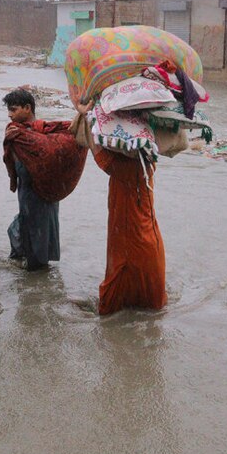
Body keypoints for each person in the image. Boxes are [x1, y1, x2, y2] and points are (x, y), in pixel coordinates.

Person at [77, 99, 167, 316]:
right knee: (149, 294)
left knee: (120, 273)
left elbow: (97, 150)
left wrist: (87, 116)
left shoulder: (122, 168)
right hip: (148, 239)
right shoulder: (148, 164)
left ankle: (111, 310)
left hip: (128, 237)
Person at [2, 89, 62, 270]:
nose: (10, 114)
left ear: (27, 108)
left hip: (42, 188)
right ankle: (33, 267)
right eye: (9, 110)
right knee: (30, 225)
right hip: (27, 188)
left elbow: (53, 156)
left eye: (13, 109)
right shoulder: (16, 133)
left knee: (39, 228)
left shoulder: (43, 132)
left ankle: (35, 271)